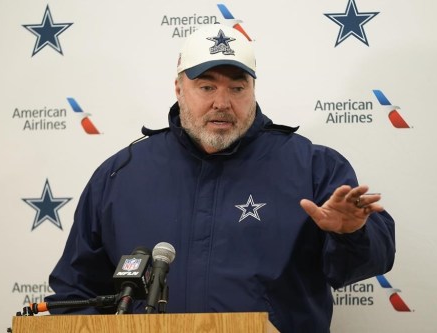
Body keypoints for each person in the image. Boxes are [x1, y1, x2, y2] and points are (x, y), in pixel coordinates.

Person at [45, 24, 395, 333]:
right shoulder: (121, 173)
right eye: (207, 87)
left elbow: (360, 267)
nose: (222, 103)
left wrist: (352, 234)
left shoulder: (312, 166)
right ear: (179, 88)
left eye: (237, 88)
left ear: (254, 90)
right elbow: (75, 291)